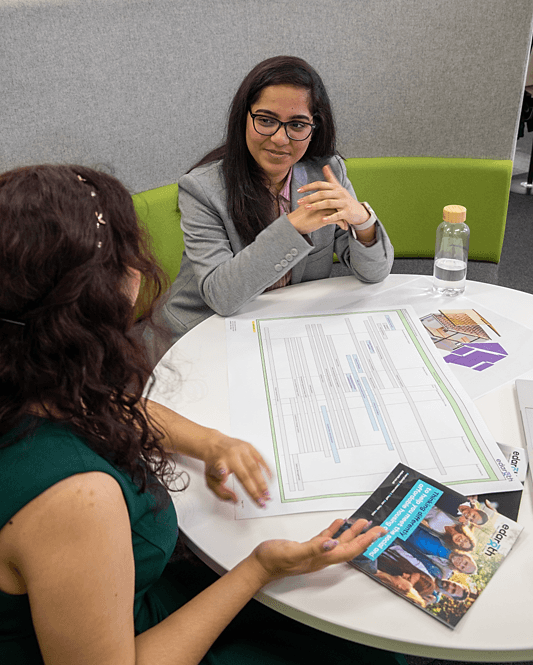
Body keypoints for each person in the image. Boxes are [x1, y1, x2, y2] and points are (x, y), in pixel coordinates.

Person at [0, 164, 402, 665]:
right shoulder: (74, 498)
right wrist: (258, 568)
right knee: (364, 643)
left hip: (122, 595)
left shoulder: (27, 372)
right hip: (137, 636)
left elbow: (106, 409)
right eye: (127, 254)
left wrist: (210, 441)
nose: (139, 270)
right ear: (95, 295)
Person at [158, 55, 394, 351]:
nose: (281, 139)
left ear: (314, 127)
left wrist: (362, 221)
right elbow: (221, 296)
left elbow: (374, 272)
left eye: (297, 124)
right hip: (204, 333)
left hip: (280, 330)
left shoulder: (326, 172)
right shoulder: (202, 189)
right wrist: (292, 227)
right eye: (266, 120)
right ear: (243, 117)